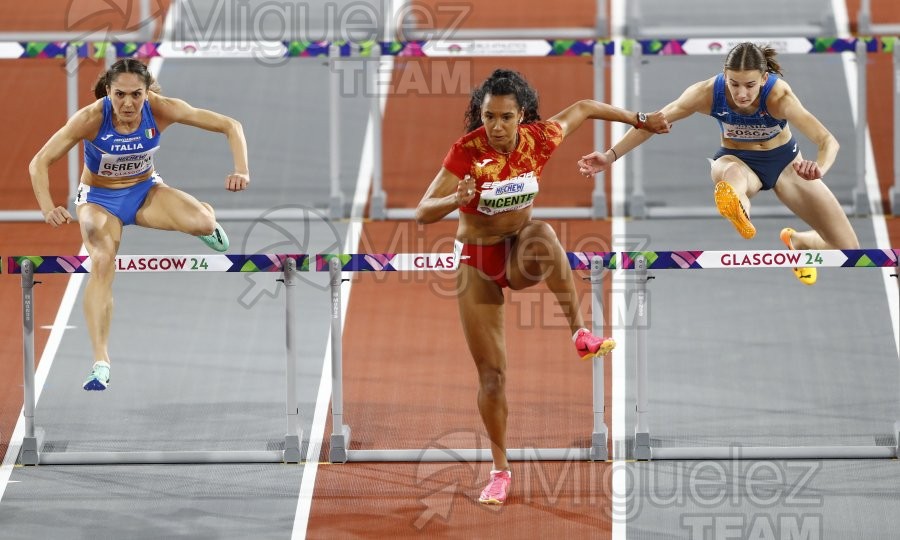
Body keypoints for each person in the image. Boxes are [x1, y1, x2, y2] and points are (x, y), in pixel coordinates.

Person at [415, 68, 669, 505]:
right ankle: (499, 470)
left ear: (522, 116)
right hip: (478, 262)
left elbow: (586, 108)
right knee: (492, 377)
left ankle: (579, 333)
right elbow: (421, 213)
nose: (495, 126)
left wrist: (639, 118)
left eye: (505, 117)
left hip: (521, 252)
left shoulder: (540, 138)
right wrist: (455, 199)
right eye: (488, 116)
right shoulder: (466, 152)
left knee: (545, 233)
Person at [29, 58, 250, 391]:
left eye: (136, 95)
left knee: (203, 222)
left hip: (146, 191)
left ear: (148, 93)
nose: (128, 103)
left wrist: (242, 169)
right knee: (102, 261)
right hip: (99, 201)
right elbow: (39, 162)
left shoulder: (161, 109)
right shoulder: (90, 119)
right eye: (120, 95)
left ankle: (204, 219)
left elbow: (231, 125)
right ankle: (100, 361)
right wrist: (48, 208)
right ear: (108, 90)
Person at [578, 42, 859, 285]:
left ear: (763, 78)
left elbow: (827, 141)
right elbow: (651, 122)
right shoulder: (707, 92)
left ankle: (799, 242)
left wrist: (819, 168)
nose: (741, 94)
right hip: (737, 160)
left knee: (848, 248)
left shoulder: (779, 97)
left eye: (749, 85)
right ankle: (738, 208)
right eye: (734, 84)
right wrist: (610, 155)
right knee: (731, 177)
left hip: (786, 163)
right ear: (725, 76)